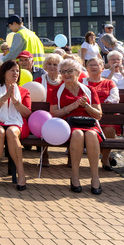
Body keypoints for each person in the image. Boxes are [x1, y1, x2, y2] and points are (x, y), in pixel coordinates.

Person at [51, 59, 104, 194]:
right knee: (77, 134)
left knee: (91, 134)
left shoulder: (89, 90)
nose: (66, 74)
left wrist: (86, 106)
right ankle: (75, 175)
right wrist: (72, 107)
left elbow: (98, 115)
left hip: (89, 123)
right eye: (63, 72)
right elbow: (53, 113)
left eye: (69, 71)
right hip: (68, 125)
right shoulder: (57, 90)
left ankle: (95, 177)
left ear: (78, 72)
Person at [0, 60, 32, 190]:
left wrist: (15, 101)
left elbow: (27, 113)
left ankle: (21, 174)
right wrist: (5, 97)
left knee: (11, 132)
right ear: (4, 73)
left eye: (17, 71)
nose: (15, 73)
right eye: (12, 70)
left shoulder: (24, 91)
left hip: (18, 122)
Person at [82, 57, 120, 170]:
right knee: (90, 133)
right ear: (86, 69)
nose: (93, 67)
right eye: (90, 65)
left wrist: (98, 106)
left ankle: (105, 158)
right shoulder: (82, 83)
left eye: (96, 65)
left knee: (109, 129)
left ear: (102, 68)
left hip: (106, 116)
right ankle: (104, 156)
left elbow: (115, 98)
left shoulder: (109, 82)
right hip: (87, 116)